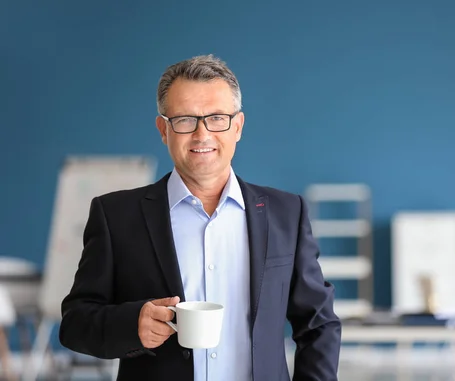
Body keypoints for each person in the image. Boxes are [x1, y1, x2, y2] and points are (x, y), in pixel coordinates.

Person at [59, 54, 341, 380]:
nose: (202, 134)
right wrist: (131, 324)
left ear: (238, 126)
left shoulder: (286, 213)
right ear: (163, 129)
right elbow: (75, 323)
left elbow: (318, 322)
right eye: (184, 120)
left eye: (217, 118)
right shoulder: (116, 216)